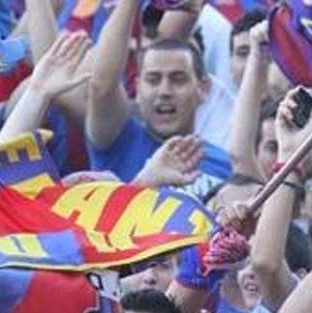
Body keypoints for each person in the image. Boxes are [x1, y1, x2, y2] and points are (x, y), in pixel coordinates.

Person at [85, 0, 231, 199]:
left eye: (178, 79)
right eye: (153, 80)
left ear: (203, 88)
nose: (164, 91)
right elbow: (101, 86)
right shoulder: (119, 140)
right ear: (137, 88)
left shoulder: (226, 165)